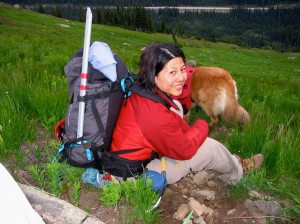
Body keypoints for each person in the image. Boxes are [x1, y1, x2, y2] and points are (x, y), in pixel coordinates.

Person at [110, 42, 263, 185]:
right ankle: (239, 170)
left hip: (130, 152)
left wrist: (188, 132)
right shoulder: (154, 116)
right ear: (153, 75)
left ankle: (196, 145)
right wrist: (202, 126)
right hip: (134, 174)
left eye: (182, 70)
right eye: (172, 72)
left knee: (176, 106)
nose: (181, 78)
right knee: (210, 148)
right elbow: (185, 150)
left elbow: (168, 118)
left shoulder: (142, 88)